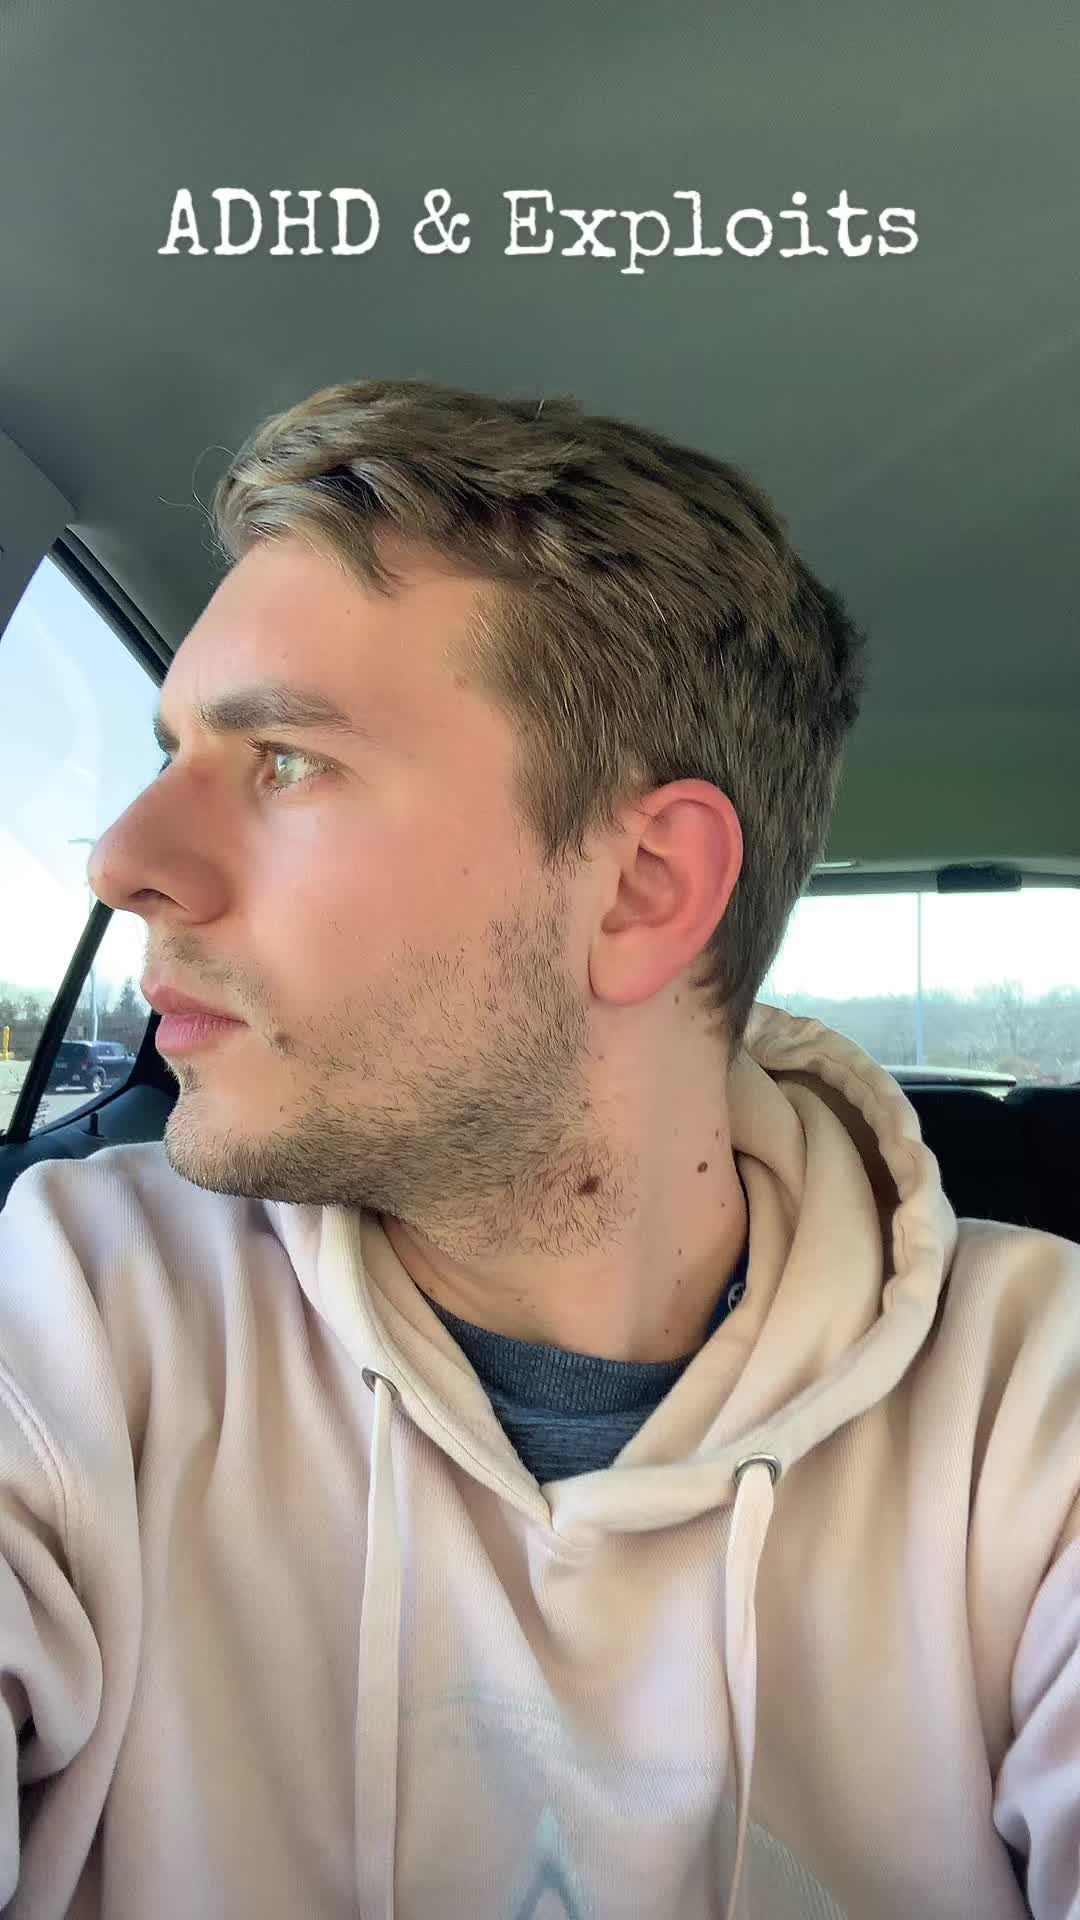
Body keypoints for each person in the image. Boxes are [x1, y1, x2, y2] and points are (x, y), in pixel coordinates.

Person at [0, 379, 1076, 1920]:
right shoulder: (72, 1314)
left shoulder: (1037, 1415)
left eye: (285, 759)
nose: (123, 860)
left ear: (644, 887)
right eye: (168, 754)